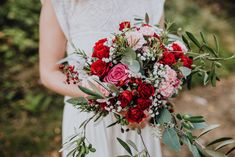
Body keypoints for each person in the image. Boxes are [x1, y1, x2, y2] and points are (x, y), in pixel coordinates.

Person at [39, 0, 165, 156]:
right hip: (89, 123)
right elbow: (48, 72)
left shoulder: (152, 3)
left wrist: (146, 106)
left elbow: (160, 62)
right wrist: (89, 91)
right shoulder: (61, 3)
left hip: (137, 121)